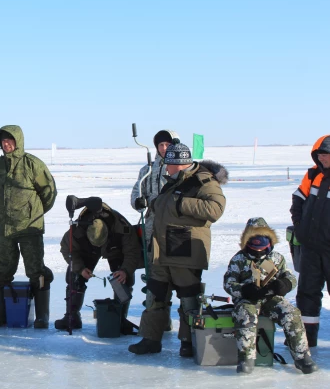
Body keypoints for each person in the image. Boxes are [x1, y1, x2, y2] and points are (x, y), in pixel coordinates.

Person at [128, 139, 228, 356]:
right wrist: (152, 203)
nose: (166, 167)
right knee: (156, 294)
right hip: (161, 247)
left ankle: (189, 341)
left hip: (185, 247)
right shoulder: (174, 180)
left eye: (168, 163)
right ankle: (151, 339)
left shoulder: (203, 181)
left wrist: (180, 203)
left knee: (188, 298)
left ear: (180, 163)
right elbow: (167, 202)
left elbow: (215, 209)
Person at [0, 125, 57, 328]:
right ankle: (1, 315)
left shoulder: (33, 164)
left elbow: (49, 192)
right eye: (3, 141)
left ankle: (41, 317)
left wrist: (33, 211)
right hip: (3, 227)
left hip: (29, 227)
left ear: (18, 141)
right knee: (2, 270)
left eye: (10, 140)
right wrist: (2, 209)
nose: (6, 144)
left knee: (35, 269)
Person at [223, 219, 318, 374]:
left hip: (271, 297)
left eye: (263, 241)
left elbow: (290, 277)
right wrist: (244, 290)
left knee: (291, 313)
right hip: (248, 298)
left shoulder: (277, 258)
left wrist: (284, 284)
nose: (259, 247)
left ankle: (302, 357)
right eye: (254, 242)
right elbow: (229, 282)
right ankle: (246, 358)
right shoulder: (239, 259)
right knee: (246, 315)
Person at [54, 201, 143, 332]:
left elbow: (133, 252)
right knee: (75, 275)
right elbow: (67, 250)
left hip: (114, 249)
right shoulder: (78, 229)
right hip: (88, 250)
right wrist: (80, 268)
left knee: (123, 279)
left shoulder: (121, 227)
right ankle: (72, 317)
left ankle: (119, 319)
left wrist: (124, 271)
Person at [131, 129, 179, 331]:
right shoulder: (147, 170)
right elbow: (136, 192)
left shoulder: (180, 168)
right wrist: (138, 202)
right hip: (151, 228)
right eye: (160, 145)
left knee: (176, 273)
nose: (164, 148)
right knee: (154, 275)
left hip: (174, 229)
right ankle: (158, 321)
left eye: (168, 144)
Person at [291, 134, 330, 348]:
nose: (322, 159)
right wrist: (300, 227)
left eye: (326, 155)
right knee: (307, 294)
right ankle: (307, 339)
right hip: (311, 247)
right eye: (320, 155)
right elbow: (298, 199)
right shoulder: (313, 174)